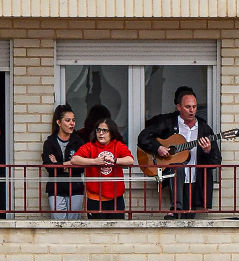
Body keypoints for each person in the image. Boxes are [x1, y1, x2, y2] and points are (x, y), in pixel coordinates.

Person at [137, 86, 222, 217]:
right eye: (188, 107)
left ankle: (175, 211)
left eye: (194, 107)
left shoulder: (204, 129)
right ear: (178, 107)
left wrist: (208, 150)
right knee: (178, 167)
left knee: (189, 221)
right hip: (173, 178)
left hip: (195, 181)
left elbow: (216, 161)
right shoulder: (168, 123)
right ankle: (175, 209)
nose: (192, 110)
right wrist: (158, 147)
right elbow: (143, 137)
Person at [70, 118, 134, 218]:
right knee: (97, 232)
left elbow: (130, 160)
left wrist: (115, 160)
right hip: (95, 198)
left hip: (116, 198)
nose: (100, 133)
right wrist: (94, 161)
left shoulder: (118, 145)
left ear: (111, 133)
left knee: (117, 230)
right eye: (98, 130)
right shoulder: (90, 146)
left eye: (104, 131)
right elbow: (74, 160)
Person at [42, 104, 84, 219]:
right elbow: (49, 168)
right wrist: (70, 163)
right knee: (58, 225)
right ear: (59, 123)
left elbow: (81, 167)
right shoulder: (50, 143)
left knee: (74, 225)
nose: (72, 123)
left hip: (75, 188)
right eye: (68, 120)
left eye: (73, 120)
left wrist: (58, 164)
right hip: (56, 188)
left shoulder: (78, 142)